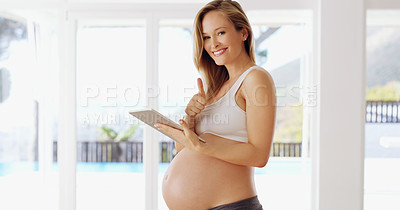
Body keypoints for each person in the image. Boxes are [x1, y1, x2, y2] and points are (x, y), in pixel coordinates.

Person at [154, 0, 276, 209]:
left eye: (220, 33)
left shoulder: (255, 79)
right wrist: (190, 118)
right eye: (206, 37)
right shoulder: (214, 87)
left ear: (243, 33)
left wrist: (202, 146)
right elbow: (185, 149)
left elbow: (259, 155)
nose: (213, 44)